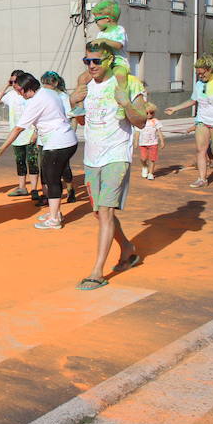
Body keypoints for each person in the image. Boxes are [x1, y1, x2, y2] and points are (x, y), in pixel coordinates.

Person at [70, 41, 147, 290]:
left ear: (109, 61)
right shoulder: (87, 85)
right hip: (92, 158)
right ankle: (127, 248)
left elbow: (142, 121)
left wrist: (126, 104)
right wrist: (74, 102)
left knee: (105, 212)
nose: (91, 65)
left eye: (96, 61)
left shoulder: (129, 83)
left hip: (117, 155)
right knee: (98, 213)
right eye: (87, 61)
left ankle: (97, 272)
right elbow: (83, 120)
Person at [0, 73, 78, 229]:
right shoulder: (49, 92)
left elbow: (18, 128)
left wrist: (1, 149)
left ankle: (54, 220)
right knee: (52, 178)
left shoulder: (36, 102)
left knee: (52, 181)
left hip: (57, 143)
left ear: (27, 89)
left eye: (19, 90)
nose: (18, 93)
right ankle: (55, 213)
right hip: (66, 140)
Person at [165, 56, 213, 187]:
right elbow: (193, 100)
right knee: (200, 150)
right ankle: (202, 179)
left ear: (209, 70)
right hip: (202, 120)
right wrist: (175, 108)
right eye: (198, 73)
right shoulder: (199, 84)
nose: (200, 76)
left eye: (202, 73)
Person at [0, 70, 39, 199]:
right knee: (20, 162)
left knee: (32, 162)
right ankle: (22, 187)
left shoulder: (30, 94)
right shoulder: (11, 95)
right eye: (11, 81)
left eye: (15, 82)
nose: (13, 84)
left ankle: (34, 189)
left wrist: (35, 132)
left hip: (30, 134)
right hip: (16, 135)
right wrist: (6, 85)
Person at [35, 72, 77, 206]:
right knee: (44, 168)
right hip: (44, 139)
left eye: (49, 82)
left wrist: (71, 132)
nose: (46, 85)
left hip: (60, 138)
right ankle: (46, 195)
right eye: (44, 82)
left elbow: (72, 116)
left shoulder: (63, 97)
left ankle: (70, 190)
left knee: (64, 167)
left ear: (56, 83)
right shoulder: (42, 95)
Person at [76, 0, 131, 95]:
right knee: (82, 78)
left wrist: (105, 41)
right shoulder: (100, 34)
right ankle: (80, 103)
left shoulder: (119, 30)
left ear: (108, 19)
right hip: (101, 64)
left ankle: (123, 99)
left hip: (117, 62)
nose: (96, 22)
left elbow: (119, 45)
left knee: (120, 75)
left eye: (97, 20)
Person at [134, 103, 165, 180]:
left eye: (151, 113)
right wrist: (136, 141)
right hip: (143, 144)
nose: (149, 115)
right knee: (143, 158)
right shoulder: (140, 121)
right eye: (147, 113)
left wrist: (162, 141)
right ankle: (144, 166)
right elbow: (137, 132)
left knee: (152, 159)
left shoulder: (155, 121)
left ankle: (151, 173)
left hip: (153, 143)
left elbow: (159, 132)